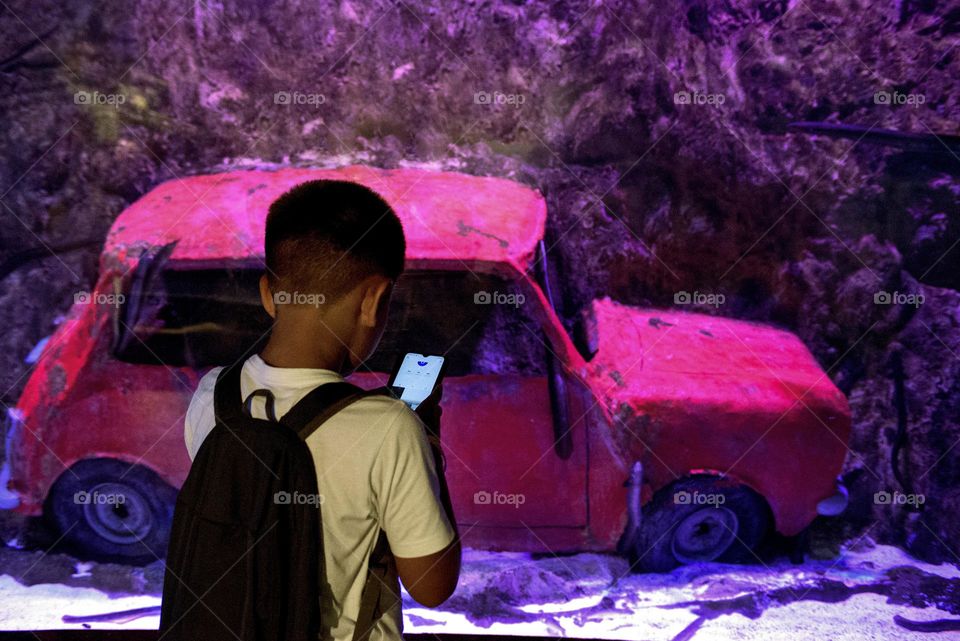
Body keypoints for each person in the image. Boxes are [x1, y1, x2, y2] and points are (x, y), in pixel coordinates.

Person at [182, 179, 461, 641]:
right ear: (373, 300)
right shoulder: (390, 429)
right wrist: (426, 437)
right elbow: (433, 586)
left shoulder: (211, 393)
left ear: (269, 293)